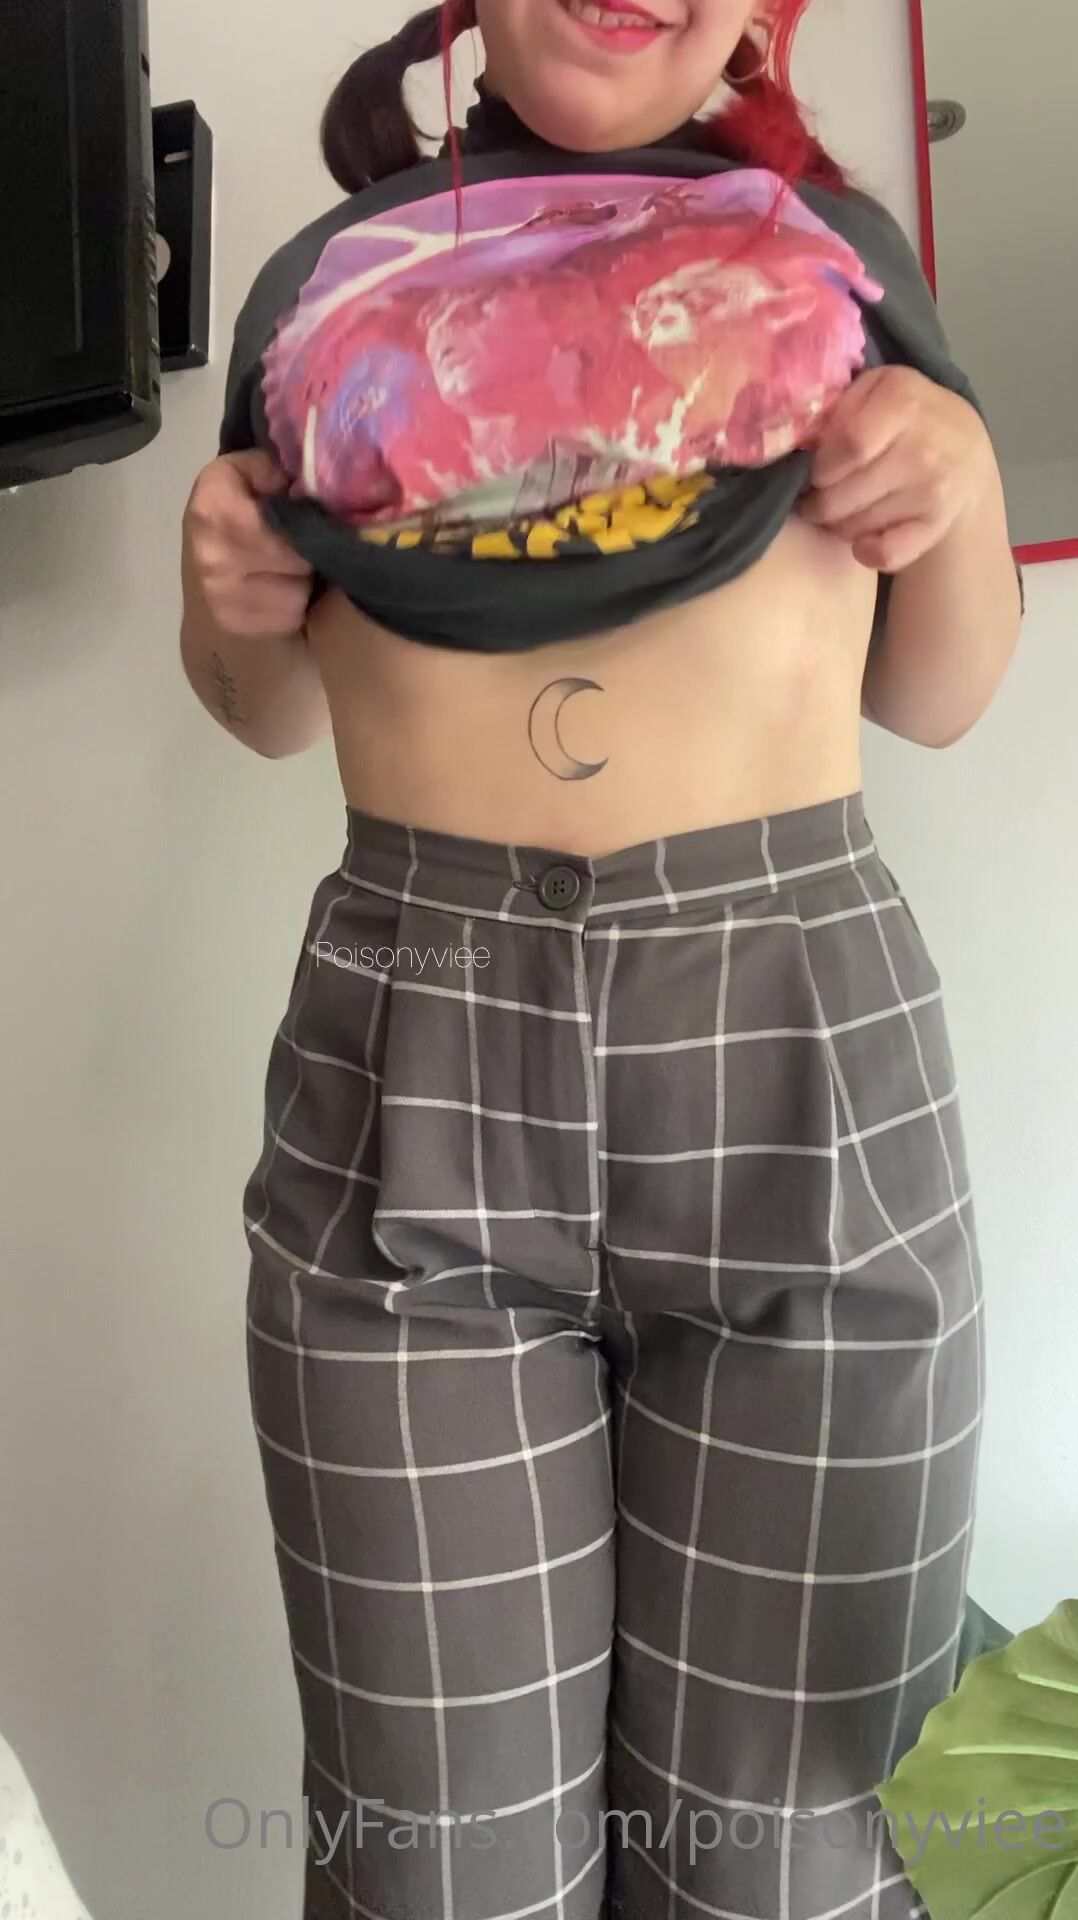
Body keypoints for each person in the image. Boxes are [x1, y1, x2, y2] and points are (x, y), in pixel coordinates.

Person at [180, 2, 1023, 1915]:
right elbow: (266, 712)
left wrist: (959, 480)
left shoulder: (829, 254)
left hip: (791, 1036)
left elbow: (937, 694)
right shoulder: (333, 279)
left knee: (792, 1854)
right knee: (438, 1859)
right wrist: (223, 598)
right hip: (417, 1037)